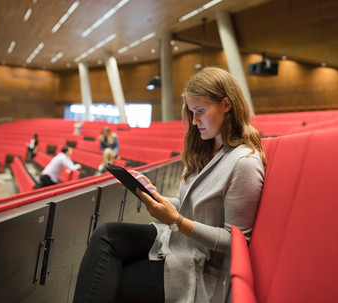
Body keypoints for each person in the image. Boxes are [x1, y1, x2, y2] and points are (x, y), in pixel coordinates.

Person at [72, 67, 267, 303]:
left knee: (110, 279)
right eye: (191, 112)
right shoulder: (207, 149)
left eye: (200, 111)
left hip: (198, 266)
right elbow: (189, 205)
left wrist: (176, 221)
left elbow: (235, 242)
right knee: (106, 234)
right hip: (174, 241)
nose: (194, 121)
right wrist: (154, 195)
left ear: (226, 105)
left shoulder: (244, 163)